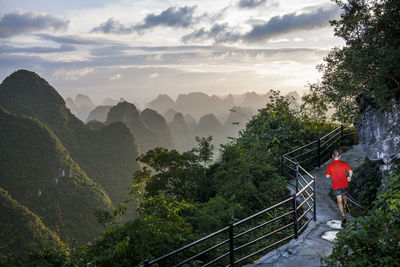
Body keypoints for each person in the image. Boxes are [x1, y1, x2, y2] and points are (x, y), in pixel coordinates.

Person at [326, 148, 353, 227]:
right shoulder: (344, 164)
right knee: (344, 194)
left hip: (336, 186)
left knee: (339, 200)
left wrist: (330, 173)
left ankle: (343, 216)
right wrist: (349, 177)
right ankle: (346, 204)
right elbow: (350, 171)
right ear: (340, 156)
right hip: (344, 184)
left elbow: (327, 176)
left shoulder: (329, 166)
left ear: (332, 156)